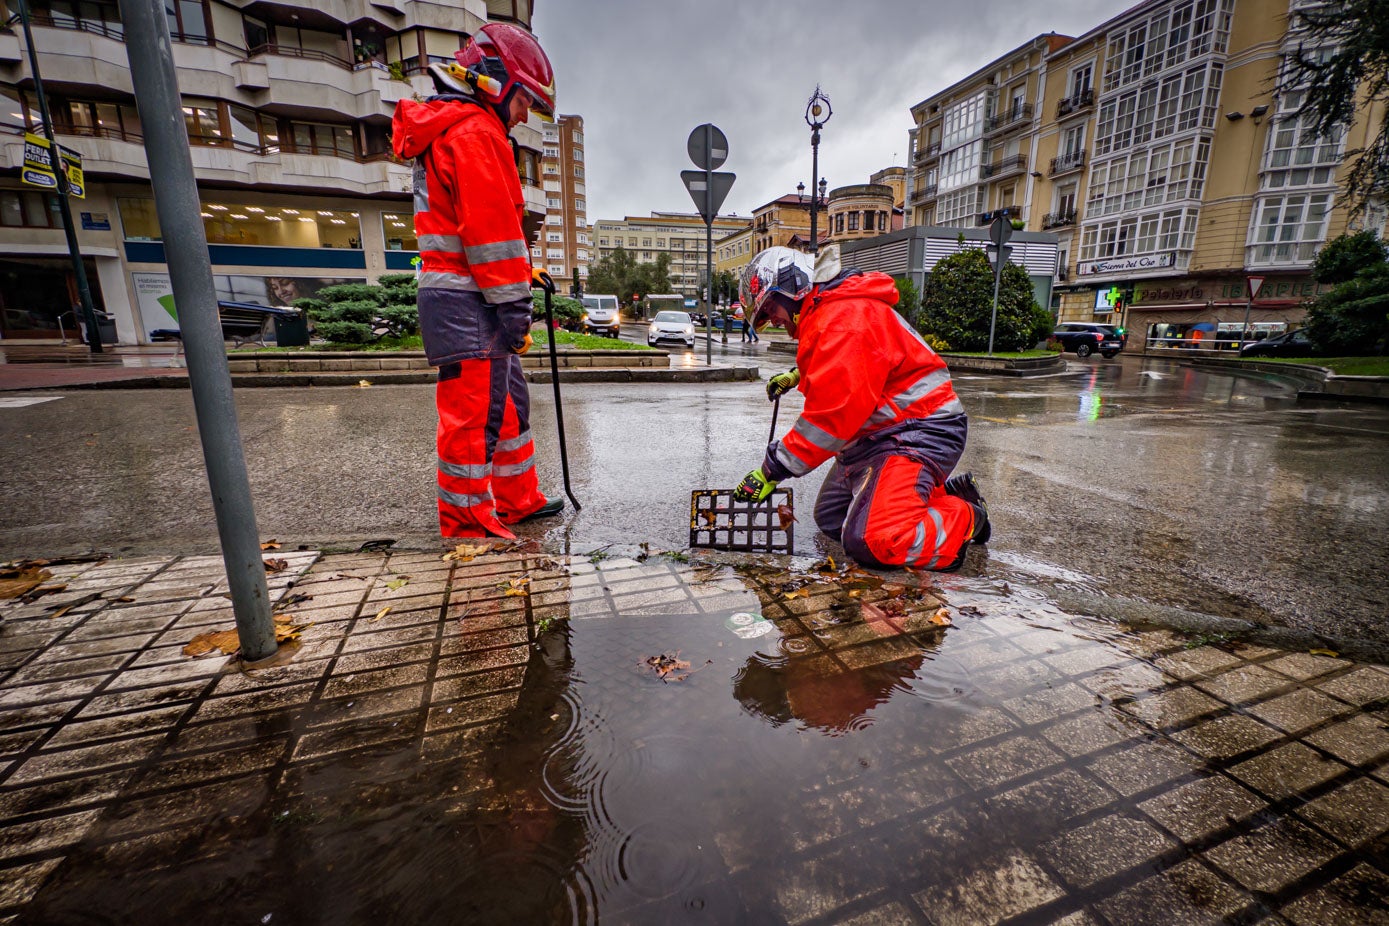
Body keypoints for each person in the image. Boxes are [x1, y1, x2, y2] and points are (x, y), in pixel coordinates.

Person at [392, 23, 563, 540]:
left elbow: (480, 231)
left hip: (468, 294)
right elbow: (490, 233)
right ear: (493, 82)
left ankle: (515, 500)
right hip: (469, 304)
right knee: (473, 417)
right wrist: (514, 303)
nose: (522, 114)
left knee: (507, 403)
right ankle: (468, 524)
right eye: (523, 101)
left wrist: (517, 277)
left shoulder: (466, 129)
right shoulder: (474, 132)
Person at [733, 245, 990, 571]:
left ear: (794, 289)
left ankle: (968, 516)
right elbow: (849, 367)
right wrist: (797, 376)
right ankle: (931, 497)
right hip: (879, 435)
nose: (772, 319)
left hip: (916, 432)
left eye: (770, 308)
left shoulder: (844, 318)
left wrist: (772, 468)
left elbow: (831, 419)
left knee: (873, 540)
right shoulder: (830, 311)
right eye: (765, 316)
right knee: (832, 519)